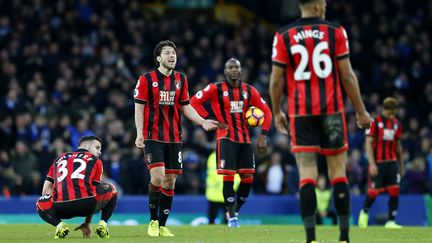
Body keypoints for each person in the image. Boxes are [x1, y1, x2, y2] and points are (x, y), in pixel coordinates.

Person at [269, 0, 372, 242]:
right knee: (338, 174)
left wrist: (277, 112)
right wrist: (361, 111)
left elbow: (276, 80)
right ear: (316, 5)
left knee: (307, 175)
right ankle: (344, 237)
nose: (325, 5)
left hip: (300, 113)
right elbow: (347, 75)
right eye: (323, 1)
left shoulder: (283, 35)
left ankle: (311, 238)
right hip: (332, 113)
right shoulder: (336, 32)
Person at [134, 40, 219, 237]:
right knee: (158, 176)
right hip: (153, 136)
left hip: (174, 138)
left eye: (173, 53)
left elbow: (185, 106)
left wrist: (202, 121)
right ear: (158, 58)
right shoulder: (146, 79)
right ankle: (153, 222)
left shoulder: (181, 79)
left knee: (170, 181)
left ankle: (163, 225)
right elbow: (139, 107)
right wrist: (139, 133)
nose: (172, 56)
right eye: (167, 53)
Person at [191, 58, 273, 227]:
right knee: (228, 176)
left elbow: (267, 112)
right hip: (225, 139)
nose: (234, 69)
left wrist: (263, 136)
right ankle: (233, 217)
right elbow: (194, 102)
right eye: (230, 67)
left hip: (245, 140)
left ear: (241, 70)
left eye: (237, 67)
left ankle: (233, 209)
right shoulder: (215, 88)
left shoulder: (249, 91)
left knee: (248, 178)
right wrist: (207, 119)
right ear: (225, 71)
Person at [36, 136, 117, 239]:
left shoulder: (58, 159)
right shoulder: (95, 160)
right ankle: (103, 225)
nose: (99, 152)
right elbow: (95, 191)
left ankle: (60, 225)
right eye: (97, 147)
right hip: (87, 204)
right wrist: (87, 222)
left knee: (40, 203)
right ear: (85, 145)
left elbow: (45, 191)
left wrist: (58, 197)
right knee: (112, 189)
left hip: (61, 207)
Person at [358, 97, 404, 228]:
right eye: (391, 111)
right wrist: (371, 163)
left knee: (395, 190)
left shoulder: (397, 124)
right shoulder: (375, 122)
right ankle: (364, 212)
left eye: (394, 111)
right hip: (378, 163)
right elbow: (368, 143)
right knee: (374, 191)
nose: (392, 114)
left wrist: (401, 165)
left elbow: (399, 146)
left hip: (392, 162)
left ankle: (391, 221)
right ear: (386, 109)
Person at [205, 151, 240, 224]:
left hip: (227, 194)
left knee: (228, 220)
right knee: (211, 219)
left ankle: (226, 233)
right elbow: (211, 172)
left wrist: (233, 187)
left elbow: (237, 174)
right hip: (214, 195)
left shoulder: (234, 156)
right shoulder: (213, 156)